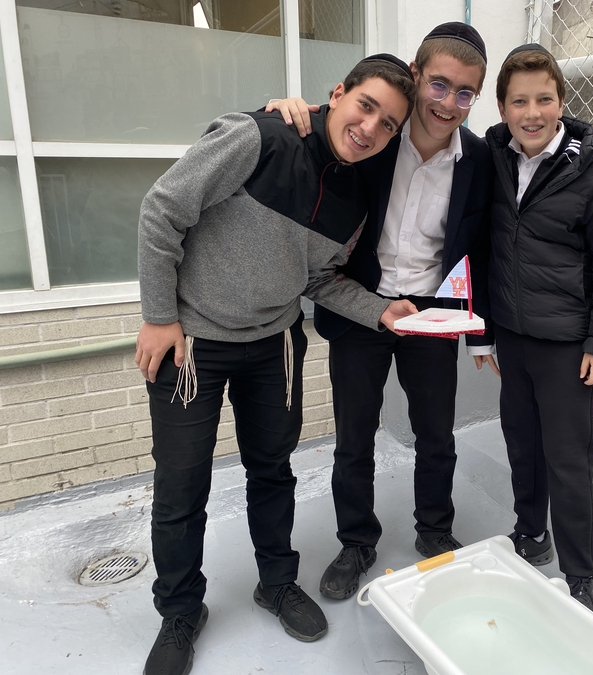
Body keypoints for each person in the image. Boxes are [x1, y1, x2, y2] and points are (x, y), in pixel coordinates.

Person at [136, 54, 417, 675]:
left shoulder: (356, 196)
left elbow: (320, 279)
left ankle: (276, 583)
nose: (370, 128)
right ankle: (180, 610)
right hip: (193, 344)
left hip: (275, 346)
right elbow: (163, 209)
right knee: (181, 486)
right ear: (337, 94)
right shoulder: (259, 137)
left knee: (273, 471)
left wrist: (382, 312)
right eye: (366, 106)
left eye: (389, 124)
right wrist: (159, 316)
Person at [266, 22, 498, 601]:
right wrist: (287, 111)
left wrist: (480, 330)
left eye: (465, 93)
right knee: (354, 437)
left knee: (436, 433)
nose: (448, 103)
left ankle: (434, 530)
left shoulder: (479, 159)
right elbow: (326, 130)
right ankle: (356, 542)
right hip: (360, 304)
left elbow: (483, 242)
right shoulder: (374, 139)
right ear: (416, 76)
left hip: (432, 312)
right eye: (438, 84)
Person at [485, 44, 593, 613]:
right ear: (502, 108)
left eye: (544, 99)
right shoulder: (492, 156)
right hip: (512, 336)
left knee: (569, 460)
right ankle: (531, 533)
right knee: (521, 444)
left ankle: (579, 574)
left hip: (568, 346)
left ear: (562, 101)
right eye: (519, 101)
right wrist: (484, 331)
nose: (532, 113)